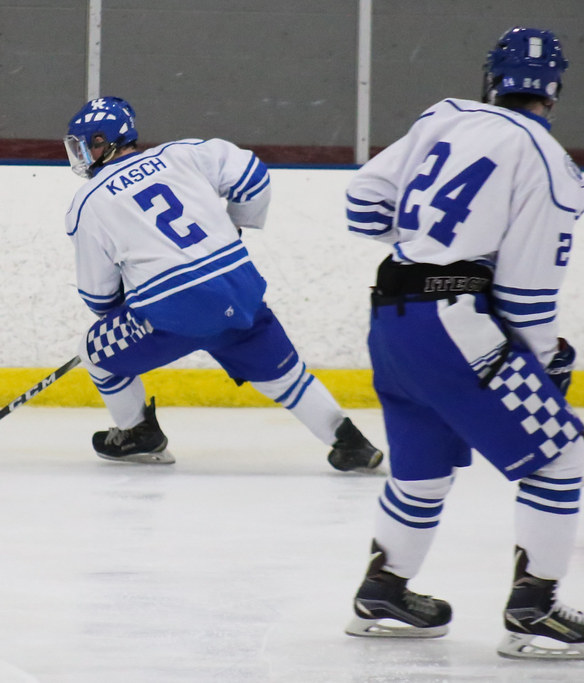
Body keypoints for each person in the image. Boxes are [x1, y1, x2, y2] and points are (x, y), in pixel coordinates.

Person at [341, 27, 584, 660]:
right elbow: (527, 295)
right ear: (555, 91)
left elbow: (361, 203)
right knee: (560, 459)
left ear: (493, 78)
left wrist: (428, 254)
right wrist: (543, 363)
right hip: (458, 329)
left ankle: (385, 589)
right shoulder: (549, 163)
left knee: (421, 471)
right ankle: (534, 610)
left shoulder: (445, 117)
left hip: (392, 322)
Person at [61, 96, 383, 472]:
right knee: (285, 376)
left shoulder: (87, 202)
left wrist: (126, 314)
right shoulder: (185, 153)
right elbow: (253, 176)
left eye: (86, 144)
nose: (82, 155)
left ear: (106, 141)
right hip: (238, 289)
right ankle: (351, 443)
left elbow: (99, 297)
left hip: (174, 311)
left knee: (95, 352)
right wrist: (236, 226)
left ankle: (137, 434)